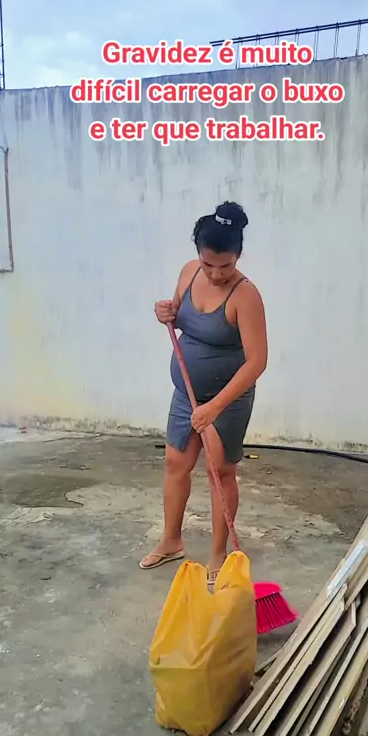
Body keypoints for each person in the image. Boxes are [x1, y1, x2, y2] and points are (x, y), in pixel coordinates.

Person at [140, 201, 268, 585]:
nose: (215, 274)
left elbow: (256, 362)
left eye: (224, 266)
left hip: (226, 399)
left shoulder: (246, 295)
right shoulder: (188, 272)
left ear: (238, 256)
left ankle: (218, 552)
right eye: (208, 264)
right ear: (198, 254)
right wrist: (165, 312)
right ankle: (171, 540)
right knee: (175, 464)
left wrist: (214, 407)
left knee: (220, 472)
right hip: (186, 393)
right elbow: (178, 316)